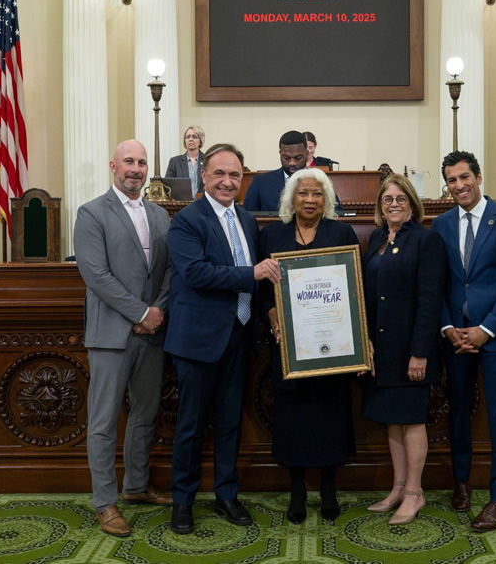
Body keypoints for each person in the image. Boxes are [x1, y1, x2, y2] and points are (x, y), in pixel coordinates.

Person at [164, 143, 281, 535]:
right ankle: (183, 501)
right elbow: (196, 273)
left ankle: (226, 495)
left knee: (230, 422)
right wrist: (252, 273)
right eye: (219, 174)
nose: (227, 181)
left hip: (239, 335)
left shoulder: (247, 219)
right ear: (203, 177)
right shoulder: (186, 220)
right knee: (191, 425)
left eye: (234, 175)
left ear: (243, 179)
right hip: (198, 340)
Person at [73, 139, 173, 537]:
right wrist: (140, 312)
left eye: (142, 162)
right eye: (129, 161)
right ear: (113, 165)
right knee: (102, 422)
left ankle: (135, 486)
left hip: (152, 334)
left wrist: (157, 311)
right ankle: (105, 502)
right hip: (112, 333)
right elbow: (95, 275)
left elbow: (168, 271)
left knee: (145, 415)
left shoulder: (160, 215)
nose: (135, 168)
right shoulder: (92, 212)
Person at [433, 150, 496, 533]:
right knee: (458, 411)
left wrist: (485, 329)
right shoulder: (440, 225)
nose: (459, 186)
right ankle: (461, 482)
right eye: (452, 180)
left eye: (464, 177)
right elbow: (436, 283)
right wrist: (446, 327)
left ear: (479, 176)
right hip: (454, 337)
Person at [258, 168, 358, 524]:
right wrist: (271, 313)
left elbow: (353, 289)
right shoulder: (272, 235)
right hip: (289, 348)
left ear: (326, 199)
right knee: (293, 418)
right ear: (291, 199)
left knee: (331, 415)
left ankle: (329, 489)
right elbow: (258, 289)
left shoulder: (341, 233)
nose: (311, 200)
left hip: (332, 346)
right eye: (303, 194)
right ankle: (297, 491)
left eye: (317, 194)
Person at [361, 173, 445, 525]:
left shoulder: (426, 240)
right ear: (380, 205)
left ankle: (415, 492)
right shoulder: (378, 238)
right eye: (387, 199)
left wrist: (420, 352)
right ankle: (398, 488)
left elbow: (430, 300)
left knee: (411, 421)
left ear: (412, 204)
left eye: (400, 199)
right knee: (392, 421)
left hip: (410, 347)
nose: (393, 204)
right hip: (382, 347)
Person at [242, 131, 309, 212]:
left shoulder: (319, 182)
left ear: (307, 154)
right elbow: (248, 217)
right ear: (280, 154)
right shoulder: (261, 183)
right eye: (286, 158)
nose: (292, 163)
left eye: (298, 158)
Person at [165, 125, 205, 198]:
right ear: (185, 141)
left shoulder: (207, 160)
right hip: (180, 204)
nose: (190, 139)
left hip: (202, 203)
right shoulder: (174, 162)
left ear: (200, 141)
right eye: (188, 137)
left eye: (194, 137)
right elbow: (167, 186)